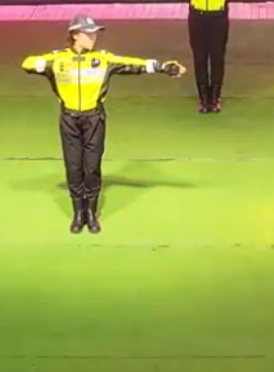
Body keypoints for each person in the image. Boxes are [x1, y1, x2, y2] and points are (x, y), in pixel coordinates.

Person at [21, 15, 186, 234]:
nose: (94, 38)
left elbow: (133, 64)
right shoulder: (58, 59)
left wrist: (163, 67)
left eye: (95, 34)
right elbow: (27, 63)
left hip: (94, 119)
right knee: (73, 166)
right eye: (89, 34)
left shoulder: (103, 59)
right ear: (75, 36)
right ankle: (78, 213)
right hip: (69, 119)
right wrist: (46, 64)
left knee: (92, 167)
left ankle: (91, 212)